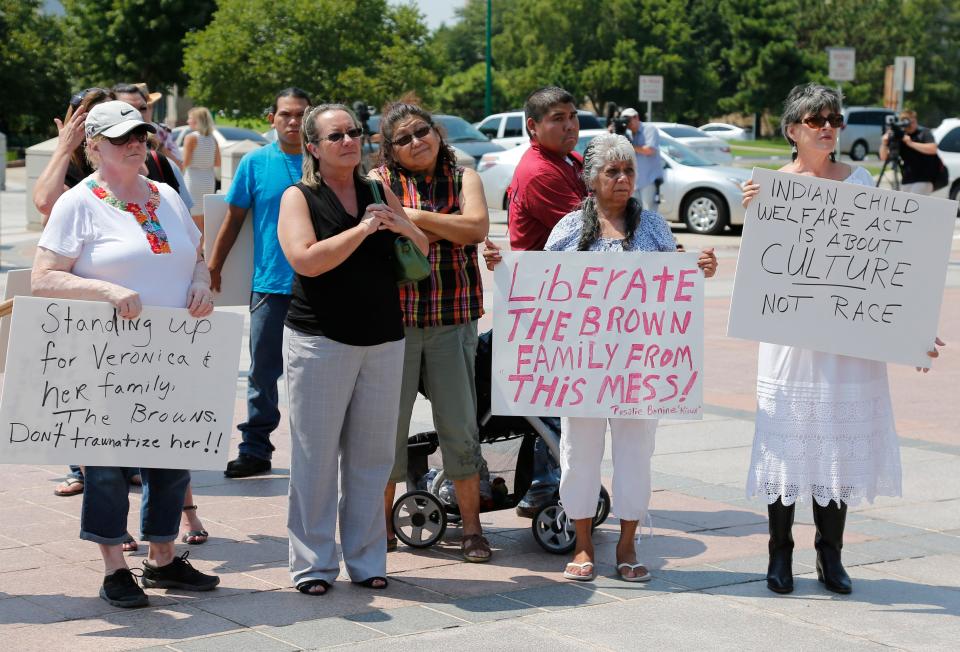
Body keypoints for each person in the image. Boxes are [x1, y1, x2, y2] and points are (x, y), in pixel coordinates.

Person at [741, 83, 944, 595]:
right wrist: (754, 213)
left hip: (846, 341)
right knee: (787, 446)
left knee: (836, 445)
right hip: (790, 343)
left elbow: (890, 262)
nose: (828, 126)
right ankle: (779, 555)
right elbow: (761, 272)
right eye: (815, 119)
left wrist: (914, 327)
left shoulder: (859, 181)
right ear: (792, 130)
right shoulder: (769, 187)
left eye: (833, 117)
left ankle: (830, 558)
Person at [31, 100, 220, 607]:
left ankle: (162, 559)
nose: (136, 143)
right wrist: (107, 293)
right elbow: (43, 277)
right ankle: (115, 566)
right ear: (93, 147)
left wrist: (201, 284)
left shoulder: (165, 195)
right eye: (120, 138)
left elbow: (196, 257)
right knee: (107, 466)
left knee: (171, 458)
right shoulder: (79, 201)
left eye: (139, 134)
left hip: (172, 350)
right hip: (104, 355)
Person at [540, 133, 717, 582]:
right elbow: (541, 289)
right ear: (591, 180)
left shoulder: (655, 228)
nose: (622, 179)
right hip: (582, 364)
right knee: (579, 452)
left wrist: (698, 269)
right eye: (611, 171)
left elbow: (674, 283)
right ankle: (581, 544)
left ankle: (627, 542)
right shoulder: (566, 230)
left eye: (629, 171)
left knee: (636, 453)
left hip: (640, 365)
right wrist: (503, 266)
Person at [277, 104, 428, 595]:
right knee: (314, 458)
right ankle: (314, 565)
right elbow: (305, 261)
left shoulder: (377, 188)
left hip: (383, 338)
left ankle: (366, 560)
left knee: (371, 458)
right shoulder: (298, 197)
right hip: (320, 341)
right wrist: (363, 229)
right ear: (314, 147)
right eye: (336, 135)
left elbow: (422, 247)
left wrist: (401, 225)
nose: (348, 141)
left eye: (354, 133)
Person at [371, 103, 491, 562]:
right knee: (385, 430)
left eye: (422, 131)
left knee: (460, 428)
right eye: (403, 138)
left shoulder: (466, 177)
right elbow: (380, 237)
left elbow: (477, 227)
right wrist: (447, 226)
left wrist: (410, 219)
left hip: (453, 317)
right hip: (393, 323)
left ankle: (473, 529)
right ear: (391, 149)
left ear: (437, 132)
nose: (416, 141)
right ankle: (379, 528)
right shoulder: (378, 181)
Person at [483, 86, 586, 517]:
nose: (568, 126)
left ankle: (547, 485)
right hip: (540, 302)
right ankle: (544, 489)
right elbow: (594, 226)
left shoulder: (572, 161)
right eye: (557, 119)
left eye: (572, 116)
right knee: (552, 400)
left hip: (561, 297)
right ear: (533, 127)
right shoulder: (539, 172)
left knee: (557, 398)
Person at [209, 87, 311, 478]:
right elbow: (233, 219)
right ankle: (254, 449)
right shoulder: (255, 163)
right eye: (285, 114)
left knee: (318, 373)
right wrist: (213, 266)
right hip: (270, 284)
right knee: (262, 372)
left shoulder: (324, 161)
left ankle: (318, 452)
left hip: (320, 285)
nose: (293, 122)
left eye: (301, 114)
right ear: (272, 118)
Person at [112, 83, 194, 213]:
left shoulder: (162, 162)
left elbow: (186, 220)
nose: (137, 115)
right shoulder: (92, 173)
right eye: (127, 109)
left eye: (143, 108)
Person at [879, 108, 941, 195]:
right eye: (909, 123)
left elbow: (933, 149)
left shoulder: (924, 132)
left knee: (914, 203)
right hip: (907, 179)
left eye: (913, 122)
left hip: (924, 178)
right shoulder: (900, 136)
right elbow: (883, 157)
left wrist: (910, 143)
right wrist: (884, 143)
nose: (912, 125)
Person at [182, 106, 221, 232]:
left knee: (192, 217)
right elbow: (218, 162)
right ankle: (202, 248)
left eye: (190, 118)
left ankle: (196, 251)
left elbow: (186, 162)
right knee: (203, 218)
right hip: (208, 179)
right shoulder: (213, 139)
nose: (188, 121)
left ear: (197, 121)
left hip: (193, 179)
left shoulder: (191, 137)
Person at [620, 108, 662, 211]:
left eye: (629, 119)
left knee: (650, 214)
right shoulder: (628, 134)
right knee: (635, 214)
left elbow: (650, 150)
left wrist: (629, 145)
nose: (628, 123)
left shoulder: (649, 129)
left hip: (649, 180)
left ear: (637, 117)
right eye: (625, 120)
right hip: (635, 181)